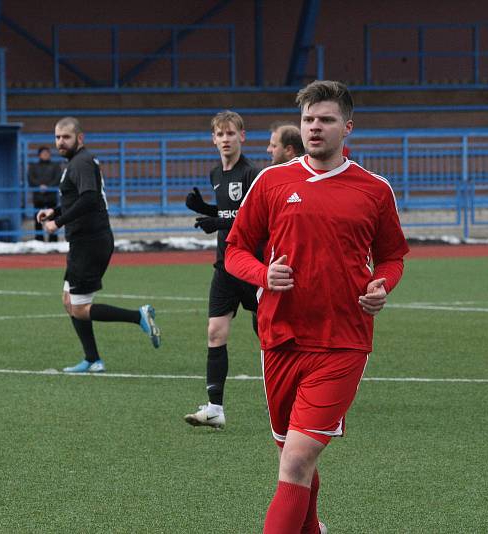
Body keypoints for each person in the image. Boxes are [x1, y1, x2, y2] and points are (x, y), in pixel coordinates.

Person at [224, 81, 409, 533]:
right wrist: (263, 275)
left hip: (342, 341)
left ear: (347, 126)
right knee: (293, 456)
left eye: (325, 119)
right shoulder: (271, 181)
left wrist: (382, 284)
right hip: (280, 337)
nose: (315, 127)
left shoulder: (374, 189)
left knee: (298, 458)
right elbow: (236, 250)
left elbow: (392, 255)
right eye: (308, 119)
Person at [36, 117, 161, 373]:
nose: (60, 142)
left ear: (79, 138)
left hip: (89, 242)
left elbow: (90, 199)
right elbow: (77, 198)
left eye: (66, 137)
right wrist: (54, 210)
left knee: (79, 308)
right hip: (86, 241)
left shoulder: (80, 162)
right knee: (68, 300)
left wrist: (57, 222)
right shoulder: (77, 162)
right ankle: (92, 358)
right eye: (57, 137)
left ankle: (139, 316)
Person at [183, 110, 261, 430]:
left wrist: (217, 221)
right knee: (215, 332)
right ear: (213, 138)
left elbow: (253, 220)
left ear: (242, 136)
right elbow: (230, 209)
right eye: (220, 134)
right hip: (225, 265)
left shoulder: (252, 173)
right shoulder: (216, 173)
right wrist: (204, 209)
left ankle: (296, 393)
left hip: (253, 266)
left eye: (231, 134)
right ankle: (215, 407)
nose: (226, 139)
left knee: (269, 334)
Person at [28, 145, 62, 242]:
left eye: (47, 153)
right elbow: (31, 179)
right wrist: (40, 187)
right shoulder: (33, 167)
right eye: (43, 153)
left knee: (53, 217)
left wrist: (48, 187)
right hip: (38, 197)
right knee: (38, 219)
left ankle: (53, 240)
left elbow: (57, 178)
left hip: (51, 197)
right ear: (39, 155)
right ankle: (39, 240)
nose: (45, 155)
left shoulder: (55, 166)